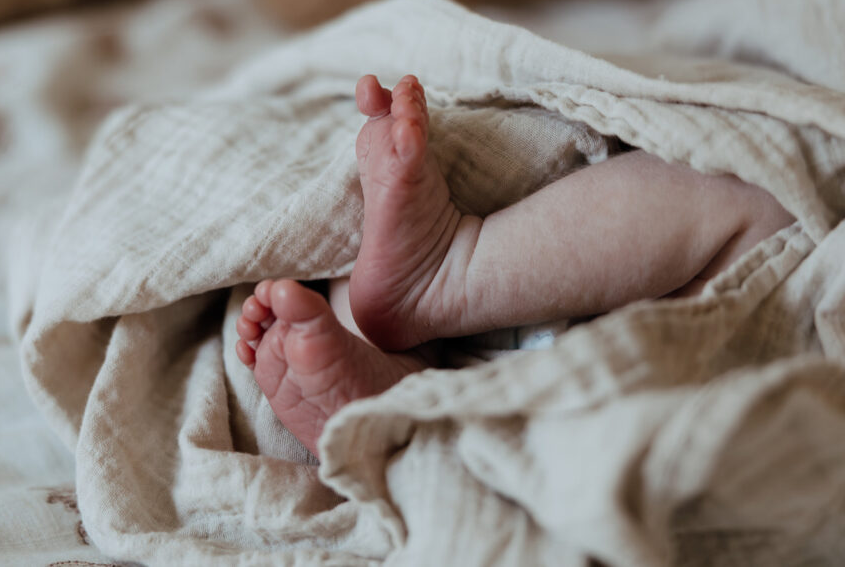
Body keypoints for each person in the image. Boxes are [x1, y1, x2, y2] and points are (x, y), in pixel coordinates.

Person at [234, 74, 794, 457]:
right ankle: (387, 367)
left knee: (762, 184)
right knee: (764, 190)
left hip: (643, 364)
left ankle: (449, 285)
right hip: (662, 337)